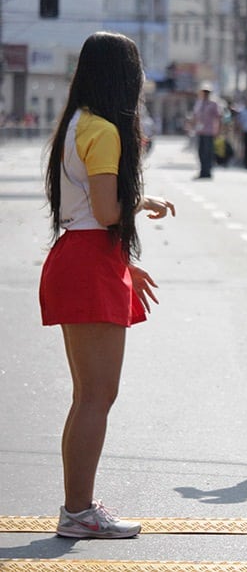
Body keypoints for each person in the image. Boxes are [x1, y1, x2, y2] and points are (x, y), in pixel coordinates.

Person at [39, 31, 175, 538]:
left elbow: (87, 213)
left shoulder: (76, 120)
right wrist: (140, 203)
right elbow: (105, 210)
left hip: (78, 254)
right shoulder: (106, 130)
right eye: (136, 71)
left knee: (86, 396)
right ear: (125, 75)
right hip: (89, 260)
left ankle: (77, 508)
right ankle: (78, 513)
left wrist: (123, 261)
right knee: (98, 396)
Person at [192, 82, 221, 179]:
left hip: (210, 131)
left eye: (207, 92)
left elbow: (218, 117)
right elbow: (195, 116)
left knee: (208, 152)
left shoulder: (213, 104)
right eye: (204, 92)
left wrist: (218, 130)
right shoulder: (199, 103)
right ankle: (202, 171)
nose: (205, 94)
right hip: (200, 131)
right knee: (200, 152)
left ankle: (208, 171)